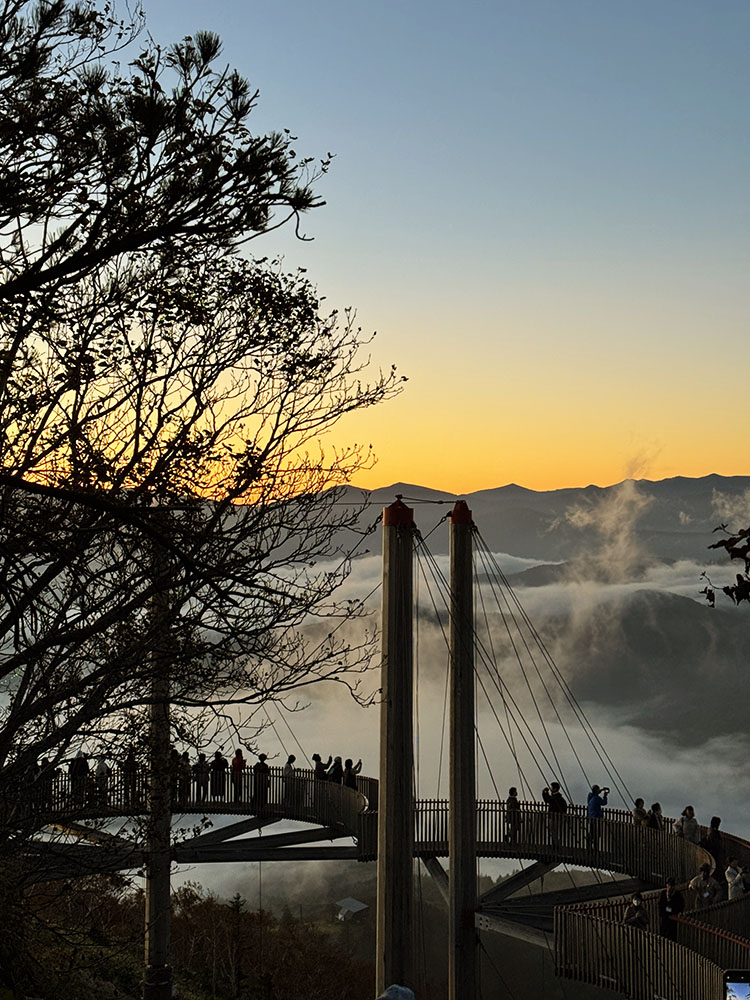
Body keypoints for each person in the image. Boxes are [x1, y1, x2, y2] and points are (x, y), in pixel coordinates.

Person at [542, 781, 567, 846]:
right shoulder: (560, 798)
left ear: (555, 789)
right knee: (555, 832)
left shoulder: (556, 797)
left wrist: (544, 793)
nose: (550, 789)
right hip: (558, 817)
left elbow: (547, 800)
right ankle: (555, 844)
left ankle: (555, 845)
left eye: (551, 787)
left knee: (554, 832)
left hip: (554, 818)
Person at [587, 784, 608, 848]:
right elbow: (604, 802)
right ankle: (595, 848)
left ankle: (589, 846)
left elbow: (594, 793)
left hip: (590, 817)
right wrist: (605, 796)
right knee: (596, 833)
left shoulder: (590, 796)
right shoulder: (596, 798)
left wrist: (601, 790)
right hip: (597, 817)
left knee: (591, 832)